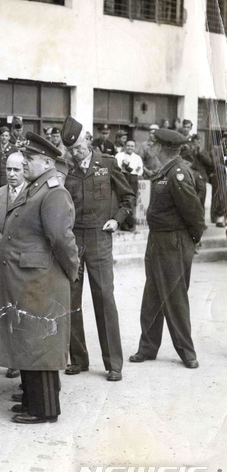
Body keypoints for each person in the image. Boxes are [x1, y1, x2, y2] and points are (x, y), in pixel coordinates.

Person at [0, 132, 79, 424]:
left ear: (46, 161)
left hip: (40, 279)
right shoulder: (36, 187)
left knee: (39, 343)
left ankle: (44, 409)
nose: (24, 163)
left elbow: (62, 239)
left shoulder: (53, 191)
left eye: (28, 159)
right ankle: (31, 399)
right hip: (28, 278)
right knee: (29, 340)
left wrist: (72, 270)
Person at [61, 116, 135, 382]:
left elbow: (128, 197)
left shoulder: (108, 163)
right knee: (71, 299)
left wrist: (118, 218)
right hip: (73, 240)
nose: (75, 153)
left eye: (79, 147)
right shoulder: (66, 169)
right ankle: (78, 359)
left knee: (104, 298)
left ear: (89, 140)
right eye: (71, 149)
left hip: (99, 239)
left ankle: (114, 363)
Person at [129, 130, 205, 369]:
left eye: (155, 145)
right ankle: (148, 348)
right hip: (158, 241)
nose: (153, 148)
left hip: (173, 242)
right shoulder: (166, 171)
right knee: (152, 297)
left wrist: (193, 239)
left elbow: (193, 212)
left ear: (164, 148)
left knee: (175, 298)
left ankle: (187, 352)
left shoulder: (178, 173)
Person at [0, 151, 27, 380]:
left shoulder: (32, 194)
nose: (11, 174)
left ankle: (18, 361)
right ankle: (4, 358)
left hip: (22, 265)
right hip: (0, 262)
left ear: (25, 170)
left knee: (20, 313)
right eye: (8, 169)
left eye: (16, 170)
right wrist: (2, 246)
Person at [115, 139, 144, 231]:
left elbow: (140, 171)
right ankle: (127, 223)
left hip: (133, 179)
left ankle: (129, 223)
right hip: (123, 178)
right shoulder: (119, 156)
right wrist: (123, 166)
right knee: (123, 200)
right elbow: (117, 168)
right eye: (128, 145)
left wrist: (135, 169)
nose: (130, 148)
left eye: (132, 146)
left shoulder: (137, 158)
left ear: (134, 147)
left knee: (131, 200)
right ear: (125, 146)